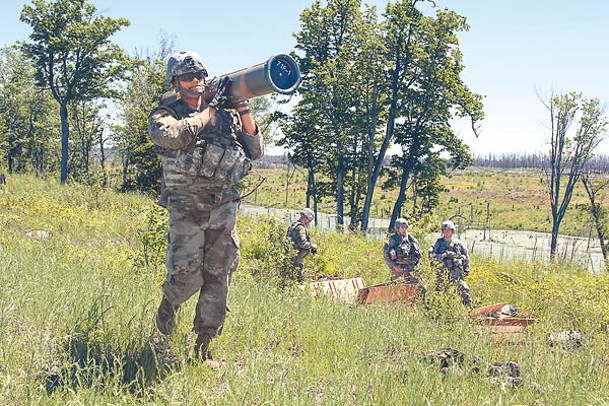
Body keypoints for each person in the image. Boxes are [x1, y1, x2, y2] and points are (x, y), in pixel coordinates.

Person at [148, 50, 263, 365]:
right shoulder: (165, 112)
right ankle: (165, 321)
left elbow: (254, 150)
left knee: (218, 277)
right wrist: (206, 114)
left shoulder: (225, 115)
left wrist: (241, 106)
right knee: (186, 278)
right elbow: (170, 137)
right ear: (176, 81)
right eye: (188, 77)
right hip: (187, 208)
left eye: (200, 76)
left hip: (223, 206)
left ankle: (204, 347)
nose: (195, 81)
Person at [429, 220, 472, 307]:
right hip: (442, 273)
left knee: (464, 291)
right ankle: (438, 312)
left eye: (449, 230)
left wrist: (466, 270)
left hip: (456, 273)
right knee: (439, 294)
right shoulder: (438, 243)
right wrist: (441, 256)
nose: (447, 232)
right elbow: (431, 254)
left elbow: (466, 257)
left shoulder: (458, 244)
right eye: (445, 230)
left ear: (452, 231)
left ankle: (469, 310)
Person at [383, 218, 422, 282]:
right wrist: (394, 266)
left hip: (413, 270)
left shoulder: (412, 239)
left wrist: (418, 265)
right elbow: (386, 255)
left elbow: (419, 254)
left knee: (421, 288)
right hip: (399, 270)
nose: (405, 229)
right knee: (399, 289)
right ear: (397, 228)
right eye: (402, 227)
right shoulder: (392, 240)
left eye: (406, 227)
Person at [287, 208, 317, 282]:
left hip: (289, 254)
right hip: (297, 256)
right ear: (307, 218)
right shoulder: (301, 228)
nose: (309, 222)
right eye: (310, 220)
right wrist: (312, 246)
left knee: (290, 275)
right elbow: (302, 243)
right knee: (298, 277)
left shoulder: (293, 225)